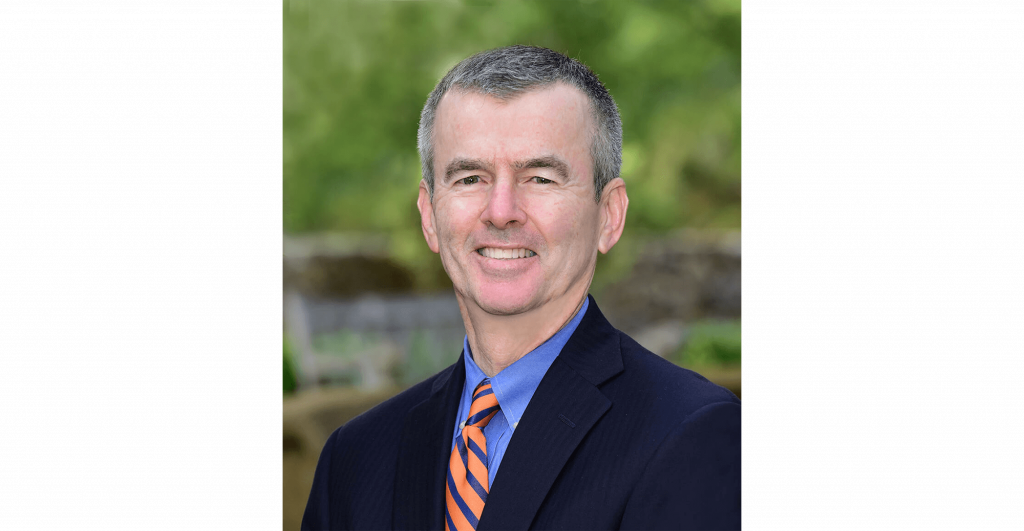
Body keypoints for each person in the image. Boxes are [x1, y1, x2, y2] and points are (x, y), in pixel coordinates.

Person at [302, 45, 741, 531]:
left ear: (609, 216)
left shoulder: (692, 434)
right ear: (429, 216)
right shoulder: (354, 458)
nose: (501, 210)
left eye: (540, 177)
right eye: (470, 178)